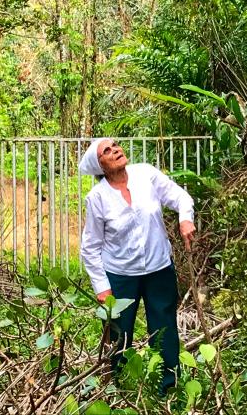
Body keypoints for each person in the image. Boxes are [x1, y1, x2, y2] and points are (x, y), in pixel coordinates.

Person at [78, 138, 196, 394]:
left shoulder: (146, 175)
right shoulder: (97, 197)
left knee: (164, 328)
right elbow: (90, 246)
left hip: (159, 269)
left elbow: (180, 197)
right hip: (120, 275)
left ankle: (168, 387)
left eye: (115, 145)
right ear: (100, 166)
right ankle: (121, 389)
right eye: (107, 151)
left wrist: (185, 219)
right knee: (119, 334)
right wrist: (102, 287)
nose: (116, 150)